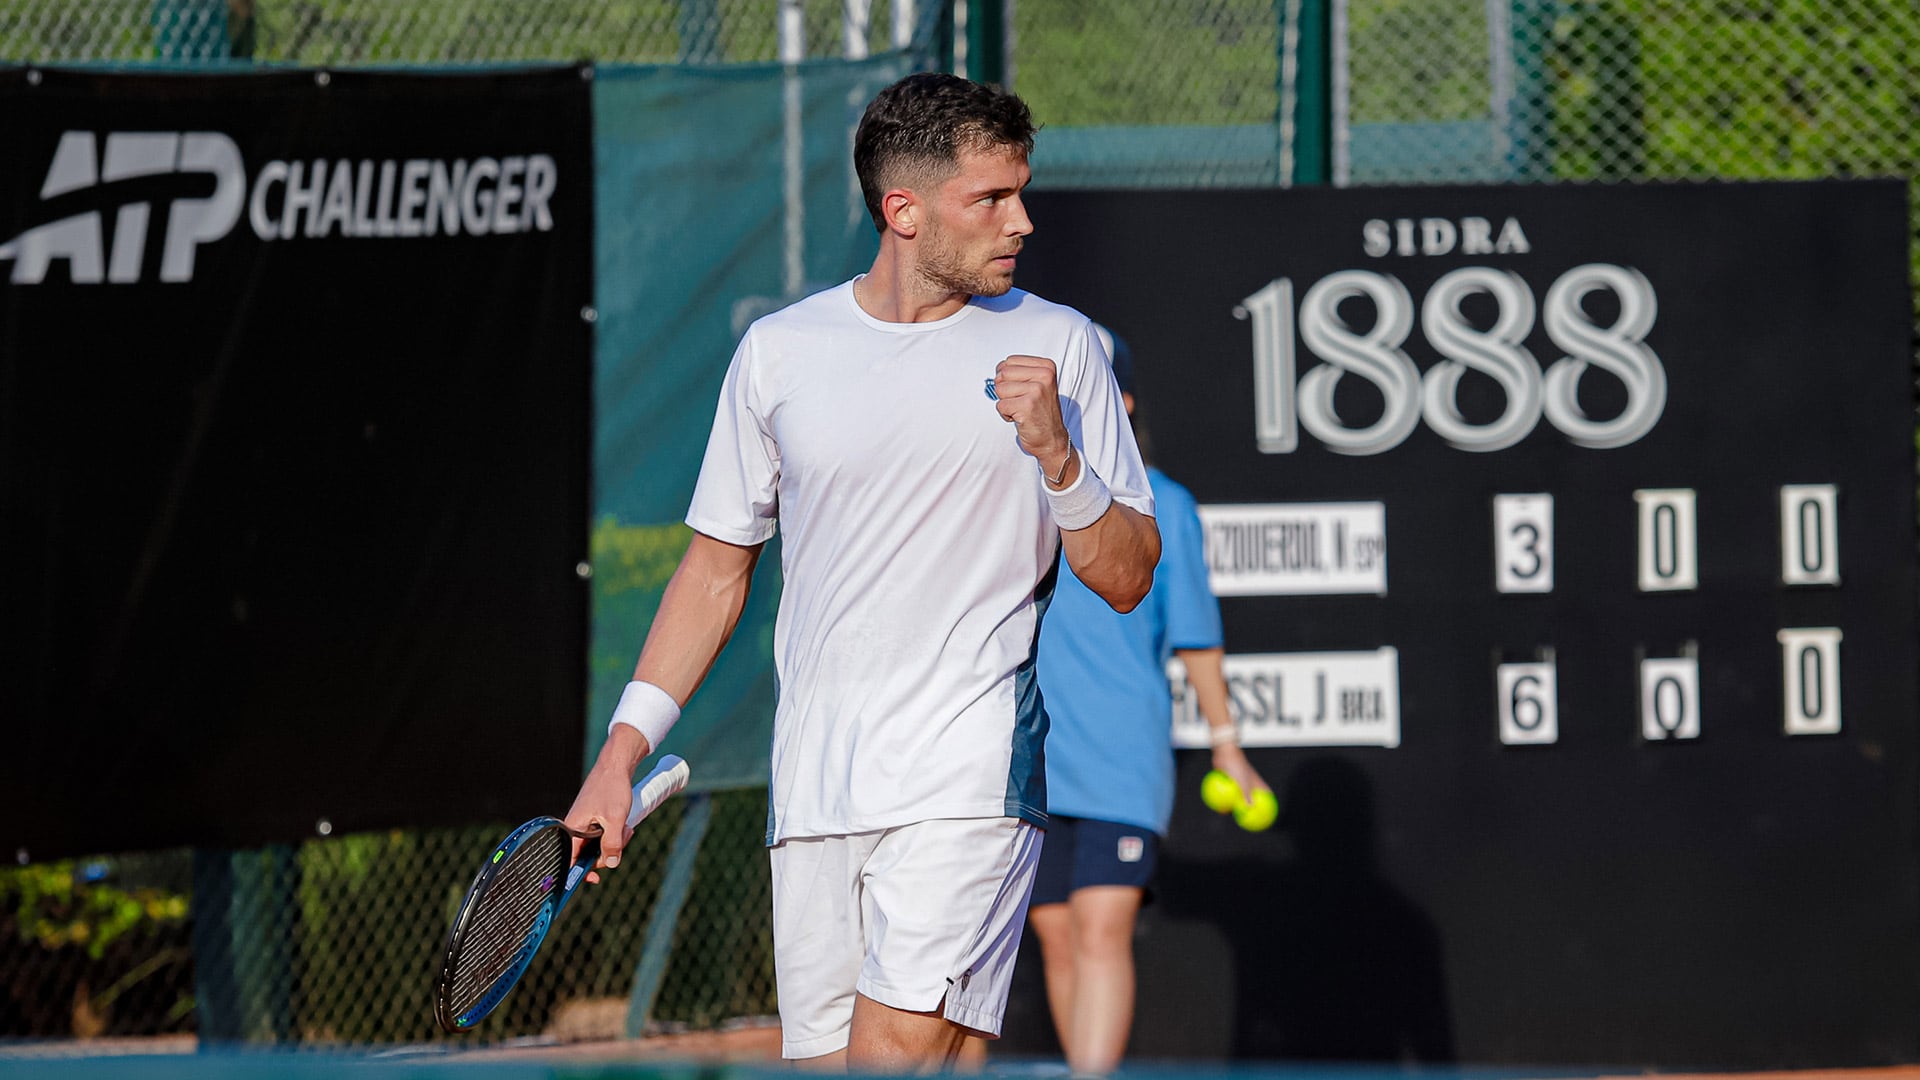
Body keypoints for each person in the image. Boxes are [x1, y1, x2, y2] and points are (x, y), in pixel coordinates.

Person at [563, 72, 1161, 1072]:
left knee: (892, 1060)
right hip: (816, 793)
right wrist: (618, 759)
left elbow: (1129, 575)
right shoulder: (779, 354)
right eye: (992, 199)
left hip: (969, 781)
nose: (1021, 220)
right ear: (905, 211)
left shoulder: (1063, 346)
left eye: (1023, 192)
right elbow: (714, 576)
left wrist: (1062, 459)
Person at [1023, 326, 1271, 1076]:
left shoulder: (1168, 505)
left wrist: (1226, 741)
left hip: (1121, 755)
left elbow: (1196, 637)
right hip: (1030, 753)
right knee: (1058, 935)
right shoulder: (1018, 494)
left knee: (1102, 928)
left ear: (1121, 401)